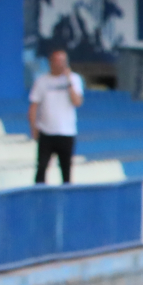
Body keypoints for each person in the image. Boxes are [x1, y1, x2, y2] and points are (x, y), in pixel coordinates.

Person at [28, 47, 84, 184]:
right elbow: (34, 106)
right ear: (51, 62)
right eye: (57, 60)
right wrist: (34, 127)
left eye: (63, 61)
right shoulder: (42, 81)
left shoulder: (74, 79)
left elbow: (77, 102)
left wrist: (69, 81)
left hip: (66, 132)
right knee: (41, 167)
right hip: (47, 132)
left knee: (66, 170)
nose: (60, 64)